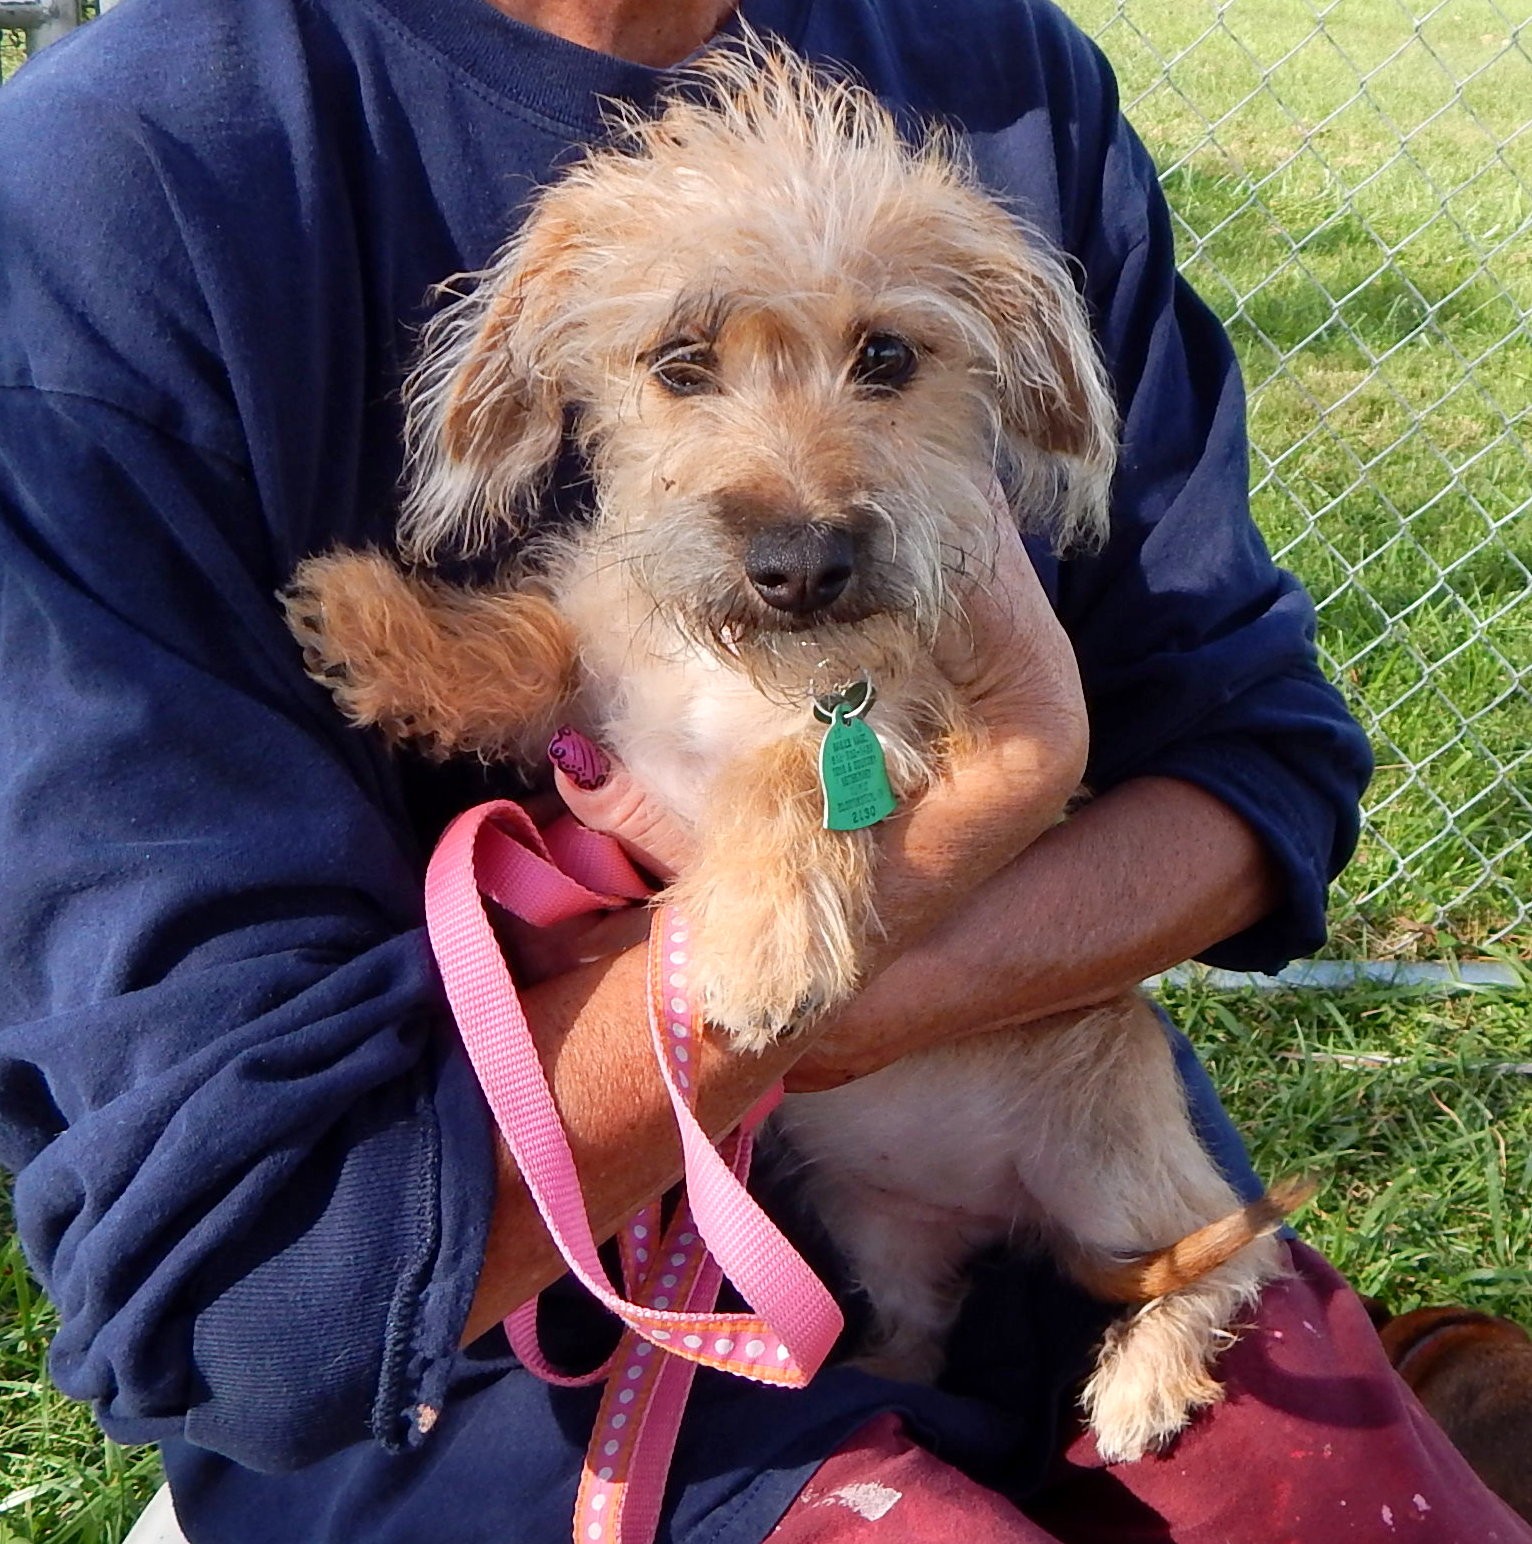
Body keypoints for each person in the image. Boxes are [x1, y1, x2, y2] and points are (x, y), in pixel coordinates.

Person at [0, 1, 1522, 1540]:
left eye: (883, 361)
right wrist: (890, 892)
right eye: (681, 363)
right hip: (497, 1355)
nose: (800, 509)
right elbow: (269, 1300)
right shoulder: (113, 190)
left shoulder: (999, 76)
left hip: (1016, 1160)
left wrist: (929, 899)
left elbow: (1262, 755)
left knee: (1363, 1502)